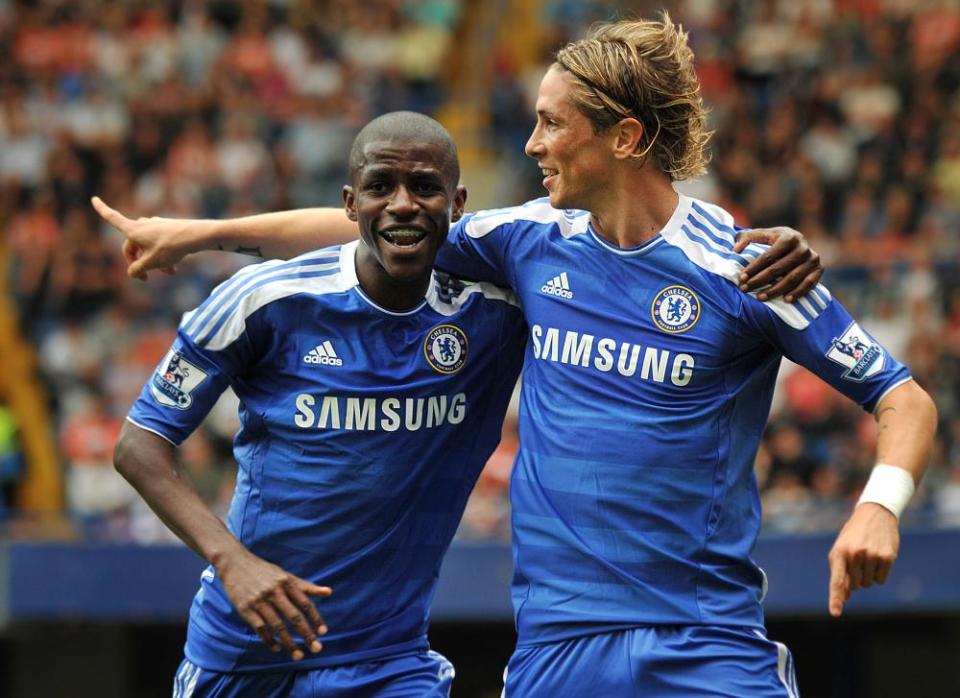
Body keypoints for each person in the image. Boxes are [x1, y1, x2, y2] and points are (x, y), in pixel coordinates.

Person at [98, 13, 938, 697]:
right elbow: (392, 223)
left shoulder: (746, 266)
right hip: (555, 651)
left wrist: (879, 505)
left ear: (623, 137)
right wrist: (205, 235)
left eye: (549, 123)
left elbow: (904, 398)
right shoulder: (530, 244)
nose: (530, 144)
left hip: (704, 645)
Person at [113, 111, 529, 696]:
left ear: (457, 203)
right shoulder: (262, 301)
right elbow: (138, 444)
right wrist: (232, 561)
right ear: (350, 203)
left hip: (390, 661)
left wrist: (202, 232)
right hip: (242, 655)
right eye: (381, 186)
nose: (404, 204)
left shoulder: (497, 312)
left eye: (425, 188)